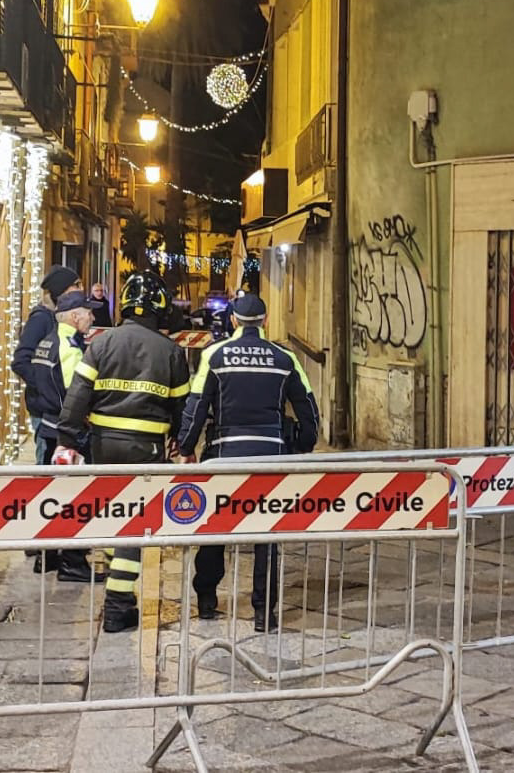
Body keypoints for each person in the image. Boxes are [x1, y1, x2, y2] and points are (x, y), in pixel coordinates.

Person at [53, 271, 190, 634]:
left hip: (102, 445)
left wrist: (66, 440)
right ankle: (116, 606)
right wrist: (183, 442)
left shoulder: (100, 343)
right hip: (145, 449)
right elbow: (182, 408)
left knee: (114, 514)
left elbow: (77, 395)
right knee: (134, 523)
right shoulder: (171, 351)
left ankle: (120, 595)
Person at [175, 293, 318, 632]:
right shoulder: (285, 358)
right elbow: (308, 411)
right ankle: (262, 614)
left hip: (225, 455)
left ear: (235, 321)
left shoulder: (214, 354)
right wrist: (301, 446)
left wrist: (186, 447)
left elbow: (196, 407)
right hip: (271, 456)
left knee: (215, 529)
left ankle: (207, 600)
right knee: (267, 535)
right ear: (265, 322)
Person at [28, 291, 107, 583]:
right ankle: (73, 563)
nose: (93, 317)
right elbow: (76, 395)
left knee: (54, 495)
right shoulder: (67, 347)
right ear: (75, 316)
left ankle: (47, 556)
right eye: (89, 312)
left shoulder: (48, 340)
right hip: (68, 434)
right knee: (75, 498)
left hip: (52, 428)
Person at [13, 265, 84, 464]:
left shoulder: (61, 317)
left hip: (60, 409)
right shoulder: (41, 319)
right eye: (75, 285)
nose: (80, 288)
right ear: (62, 291)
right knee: (47, 464)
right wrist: (47, 387)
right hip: (44, 410)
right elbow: (21, 361)